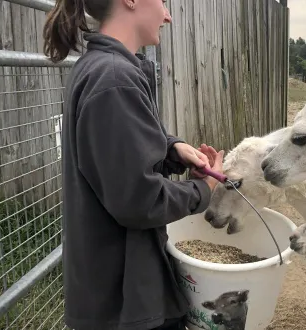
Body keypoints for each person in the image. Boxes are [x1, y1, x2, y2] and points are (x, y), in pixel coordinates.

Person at [42, 1, 224, 329]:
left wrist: (173, 149)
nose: (167, 15)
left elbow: (119, 159)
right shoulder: (114, 80)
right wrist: (203, 189)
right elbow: (140, 201)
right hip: (123, 303)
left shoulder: (102, 69)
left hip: (112, 291)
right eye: (163, 2)